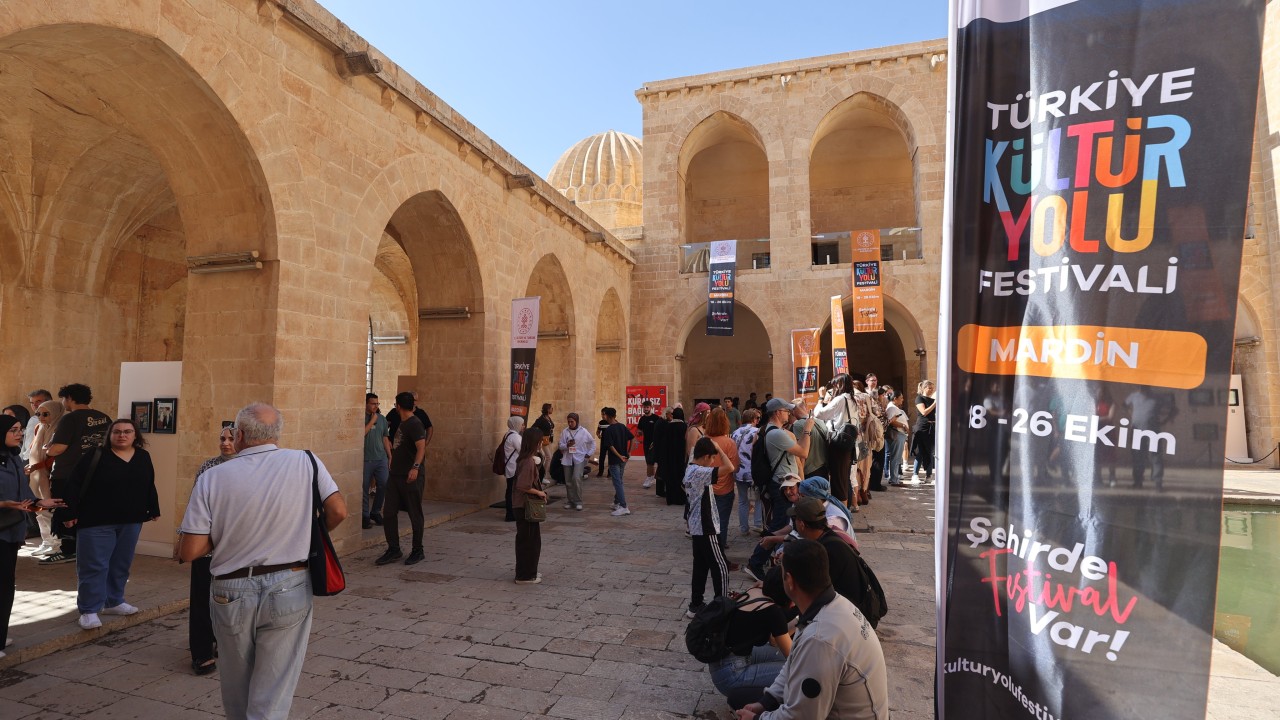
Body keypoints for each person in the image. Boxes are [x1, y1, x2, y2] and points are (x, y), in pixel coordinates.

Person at [179, 402, 347, 720]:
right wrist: (305, 532)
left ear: (239, 435)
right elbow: (338, 510)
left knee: (236, 683)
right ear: (277, 435)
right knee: (275, 686)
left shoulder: (213, 476)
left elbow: (190, 550)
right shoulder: (306, 461)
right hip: (290, 583)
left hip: (231, 589)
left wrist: (228, 535)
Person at [734, 539, 888, 720]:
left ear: (789, 580)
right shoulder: (831, 604)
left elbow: (802, 717)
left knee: (738, 700)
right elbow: (792, 663)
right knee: (741, 698)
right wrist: (766, 702)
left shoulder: (820, 639)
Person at [63, 418, 160, 630]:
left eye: (127, 431)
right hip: (95, 521)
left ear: (135, 435)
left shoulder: (143, 456)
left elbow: (148, 483)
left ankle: (114, 601)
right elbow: (73, 484)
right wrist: (69, 512)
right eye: (117, 432)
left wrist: (153, 508)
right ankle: (88, 610)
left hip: (131, 520)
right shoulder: (95, 455)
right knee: (94, 566)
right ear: (110, 435)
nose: (122, 435)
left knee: (121, 563)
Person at [0, 415, 63, 658]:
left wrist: (39, 502)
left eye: (19, 430)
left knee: (6, 584)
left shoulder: (14, 458)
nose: (19, 434)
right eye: (13, 430)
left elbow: (23, 493)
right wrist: (5, 503)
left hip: (11, 530)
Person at [185, 425, 236, 676]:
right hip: (208, 545)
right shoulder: (208, 467)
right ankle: (202, 652)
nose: (225, 443)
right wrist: (184, 536)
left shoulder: (252, 468)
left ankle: (224, 643)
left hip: (238, 548)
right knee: (202, 598)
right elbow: (195, 504)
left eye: (231, 438)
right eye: (222, 438)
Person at [42, 383, 112, 565]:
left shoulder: (70, 419)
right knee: (89, 511)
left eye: (63, 399)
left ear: (70, 398)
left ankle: (68, 550)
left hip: (68, 474)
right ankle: (87, 550)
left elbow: (58, 448)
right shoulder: (104, 418)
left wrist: (48, 450)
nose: (64, 402)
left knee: (65, 509)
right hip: (97, 474)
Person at [745, 398, 814, 583]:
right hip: (782, 485)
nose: (789, 414)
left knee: (783, 523)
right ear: (777, 413)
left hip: (784, 483)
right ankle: (755, 562)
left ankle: (775, 560)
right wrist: (807, 428)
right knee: (779, 525)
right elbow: (803, 451)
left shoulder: (775, 432)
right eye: (786, 411)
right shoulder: (775, 434)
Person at [708, 567, 794, 710]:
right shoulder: (773, 611)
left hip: (722, 663)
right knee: (794, 674)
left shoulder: (753, 592)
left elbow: (774, 641)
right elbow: (793, 658)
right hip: (732, 676)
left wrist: (798, 620)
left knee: (777, 656)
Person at [684, 436, 736, 617]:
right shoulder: (700, 471)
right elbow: (730, 468)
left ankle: (695, 604)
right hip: (706, 526)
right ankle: (722, 607)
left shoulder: (690, 468)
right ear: (706, 456)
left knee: (701, 566)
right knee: (720, 566)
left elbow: (694, 451)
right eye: (712, 458)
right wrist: (720, 450)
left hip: (696, 525)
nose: (713, 461)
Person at [378, 392, 427, 565]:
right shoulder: (404, 422)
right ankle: (394, 549)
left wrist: (415, 467)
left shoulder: (414, 424)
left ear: (398, 406)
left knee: (415, 513)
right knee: (389, 512)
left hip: (410, 476)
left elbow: (421, 447)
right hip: (395, 476)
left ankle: (417, 550)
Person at [24, 400, 64, 557]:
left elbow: (56, 456)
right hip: (37, 474)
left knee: (50, 510)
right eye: (38, 413)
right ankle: (46, 541)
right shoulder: (38, 427)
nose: (41, 417)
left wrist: (37, 466)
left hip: (51, 474)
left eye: (45, 414)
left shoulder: (60, 429)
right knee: (39, 509)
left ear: (55, 413)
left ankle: (56, 544)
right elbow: (34, 450)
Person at [812, 374, 855, 504]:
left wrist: (820, 398)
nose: (833, 387)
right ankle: (845, 512)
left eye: (834, 384)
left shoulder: (840, 399)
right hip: (848, 442)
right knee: (844, 479)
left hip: (838, 442)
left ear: (839, 384)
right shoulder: (852, 399)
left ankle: (841, 517)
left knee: (838, 481)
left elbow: (819, 414)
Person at [511, 428, 547, 584]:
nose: (541, 443)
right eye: (539, 441)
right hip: (525, 506)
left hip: (523, 505)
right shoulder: (527, 462)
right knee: (528, 541)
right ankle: (525, 576)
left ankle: (529, 572)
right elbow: (523, 485)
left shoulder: (527, 459)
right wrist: (539, 493)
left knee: (530, 540)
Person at [704, 408, 738, 553]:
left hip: (706, 487)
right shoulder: (729, 443)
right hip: (725, 488)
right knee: (722, 520)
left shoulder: (703, 441)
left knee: (707, 519)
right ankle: (719, 545)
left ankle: (707, 544)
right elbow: (734, 468)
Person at [362, 393, 391, 529]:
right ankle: (365, 515)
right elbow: (361, 433)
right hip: (366, 459)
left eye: (377, 404)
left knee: (384, 484)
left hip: (381, 459)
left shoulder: (382, 419)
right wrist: (371, 421)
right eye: (373, 403)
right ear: (366, 404)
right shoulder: (361, 417)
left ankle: (375, 511)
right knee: (365, 488)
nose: (376, 406)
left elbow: (385, 438)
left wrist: (389, 456)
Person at [732, 409, 763, 535]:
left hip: (739, 471)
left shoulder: (735, 432)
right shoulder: (757, 431)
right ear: (754, 419)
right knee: (759, 499)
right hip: (754, 471)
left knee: (742, 500)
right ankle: (758, 523)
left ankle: (744, 528)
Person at [558, 412, 595, 510]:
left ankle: (578, 501)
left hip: (579, 458)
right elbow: (560, 445)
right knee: (568, 481)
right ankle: (570, 501)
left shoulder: (583, 431)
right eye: (568, 421)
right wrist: (567, 445)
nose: (570, 423)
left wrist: (589, 453)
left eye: (572, 421)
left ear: (577, 421)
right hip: (567, 458)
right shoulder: (565, 432)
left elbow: (592, 442)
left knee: (576, 478)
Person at [601, 407, 634, 516]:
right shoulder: (622, 426)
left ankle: (624, 506)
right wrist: (628, 452)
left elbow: (610, 446)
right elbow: (632, 438)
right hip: (623, 458)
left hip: (616, 460)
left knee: (617, 483)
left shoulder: (609, 429)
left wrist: (619, 456)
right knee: (619, 480)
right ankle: (616, 502)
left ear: (608, 416)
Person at [656, 407, 689, 504]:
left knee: (670, 478)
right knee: (680, 477)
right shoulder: (685, 427)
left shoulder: (668, 426)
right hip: (681, 457)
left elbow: (664, 443)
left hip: (669, 457)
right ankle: (680, 499)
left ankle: (670, 499)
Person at [912, 380, 937, 482]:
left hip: (931, 427)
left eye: (932, 388)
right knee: (921, 452)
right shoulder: (919, 398)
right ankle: (915, 474)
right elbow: (924, 412)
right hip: (922, 427)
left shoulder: (932, 400)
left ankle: (929, 475)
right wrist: (935, 403)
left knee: (930, 452)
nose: (931, 390)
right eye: (929, 388)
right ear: (924, 388)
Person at [501, 416, 524, 522]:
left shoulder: (508, 434)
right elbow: (522, 451)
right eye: (522, 424)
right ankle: (511, 514)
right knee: (512, 491)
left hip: (510, 467)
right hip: (513, 468)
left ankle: (510, 513)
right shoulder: (515, 437)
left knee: (510, 490)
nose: (523, 426)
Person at [637, 400, 661, 489]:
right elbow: (639, 430)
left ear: (651, 408)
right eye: (644, 407)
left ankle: (649, 478)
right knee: (648, 461)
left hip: (654, 443)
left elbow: (660, 431)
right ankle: (652, 477)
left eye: (647, 407)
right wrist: (639, 433)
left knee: (650, 462)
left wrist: (656, 442)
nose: (646, 409)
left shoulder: (656, 418)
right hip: (646, 443)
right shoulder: (642, 419)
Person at [595, 407, 609, 478]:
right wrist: (598, 435)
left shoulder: (612, 422)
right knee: (602, 457)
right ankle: (600, 471)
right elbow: (598, 431)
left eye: (604, 414)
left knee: (611, 457)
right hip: (603, 442)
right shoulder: (601, 422)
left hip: (611, 443)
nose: (603, 416)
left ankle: (610, 473)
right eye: (602, 414)